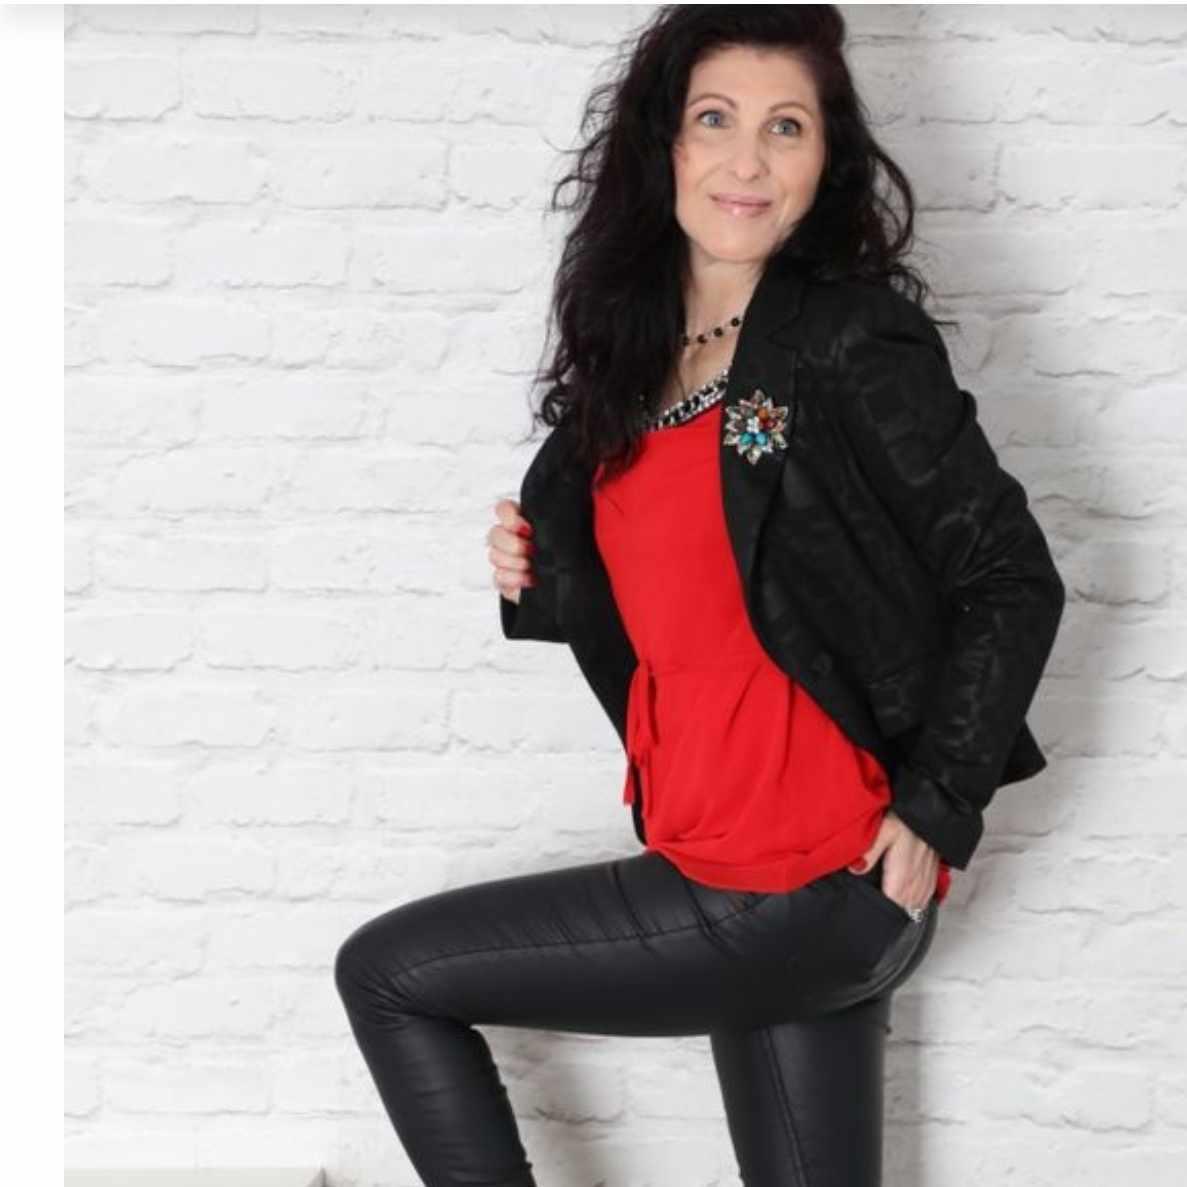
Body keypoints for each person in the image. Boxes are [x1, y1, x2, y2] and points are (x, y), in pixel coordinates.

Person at [334, 7, 1065, 1186]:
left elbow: (1009, 574)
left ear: (824, 159)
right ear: (663, 146)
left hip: (795, 870)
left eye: (786, 127)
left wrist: (937, 806)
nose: (746, 161)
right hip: (736, 855)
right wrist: (536, 565)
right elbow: (693, 587)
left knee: (388, 973)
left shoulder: (843, 340)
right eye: (714, 120)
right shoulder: (633, 359)